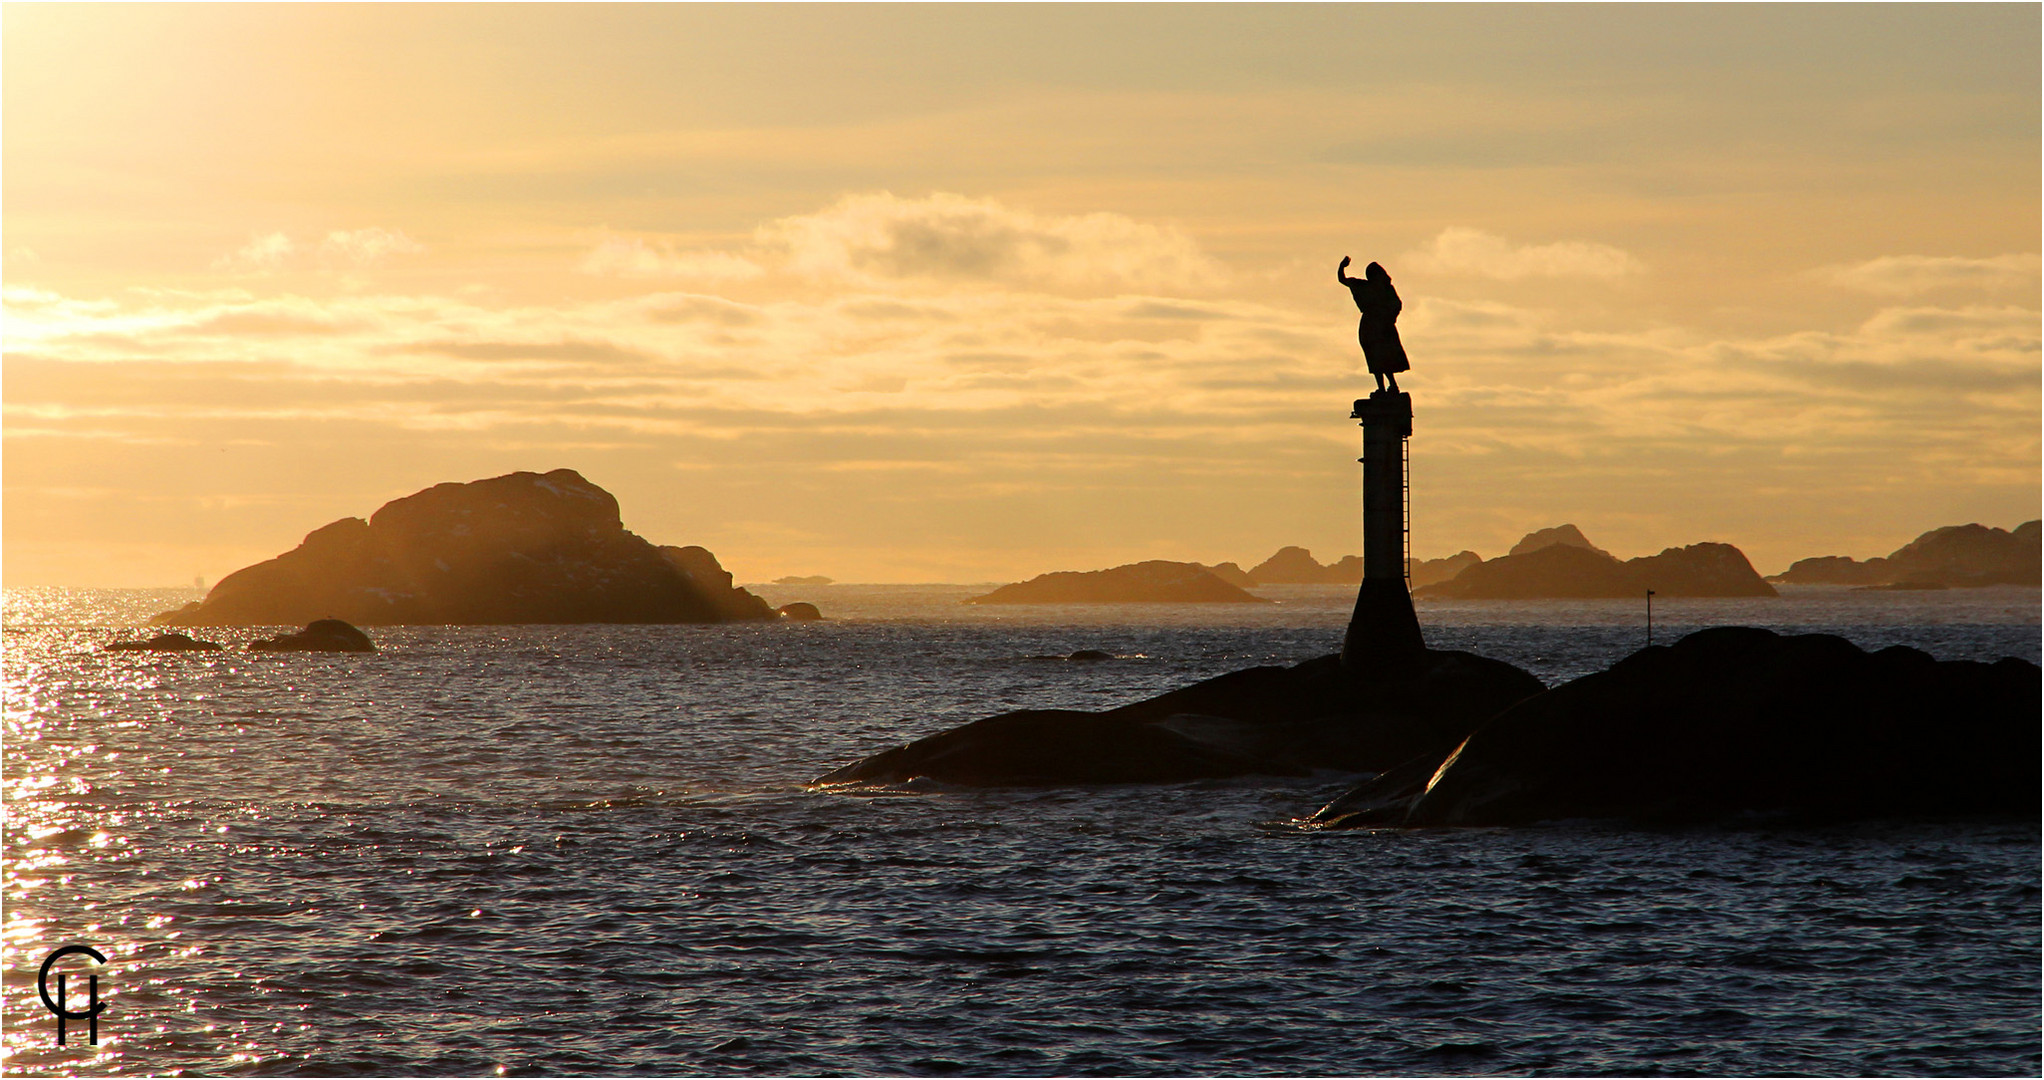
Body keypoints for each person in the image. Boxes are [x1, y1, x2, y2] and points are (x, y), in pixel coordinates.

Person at [1338, 256, 1408, 393]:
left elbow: (1396, 305)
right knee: (1375, 357)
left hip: (1379, 325)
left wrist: (1390, 317)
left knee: (1383, 356)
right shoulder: (1367, 286)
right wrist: (1342, 267)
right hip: (1373, 326)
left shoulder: (1381, 288)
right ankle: (1384, 387)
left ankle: (1391, 385)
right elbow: (1343, 280)